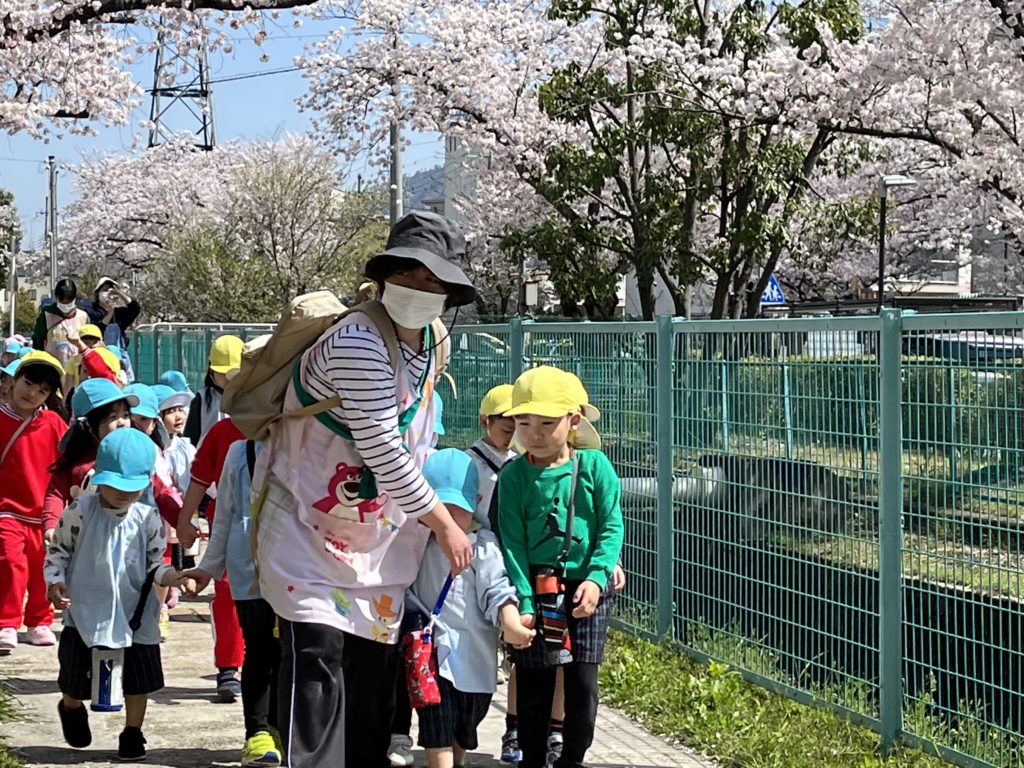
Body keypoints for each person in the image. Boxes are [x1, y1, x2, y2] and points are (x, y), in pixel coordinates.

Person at [254, 210, 476, 768]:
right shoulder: (357, 339)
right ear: (385, 276)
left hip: (376, 537)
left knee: (373, 674)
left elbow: (420, 435)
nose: (421, 290)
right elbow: (381, 445)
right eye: (410, 275)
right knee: (318, 657)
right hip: (308, 526)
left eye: (434, 282)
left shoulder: (432, 341)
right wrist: (444, 524)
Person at [497, 366, 624, 768]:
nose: (533, 433)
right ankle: (532, 759)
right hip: (538, 591)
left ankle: (571, 759)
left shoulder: (595, 466)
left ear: (573, 420)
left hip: (586, 590)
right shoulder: (514, 475)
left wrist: (597, 576)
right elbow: (512, 542)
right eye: (523, 422)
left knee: (582, 688)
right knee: (535, 686)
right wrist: (524, 598)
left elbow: (611, 524)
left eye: (547, 423)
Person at [44, 428, 190, 761]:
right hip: (84, 611)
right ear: (99, 477)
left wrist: (174, 576)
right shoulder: (81, 510)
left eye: (132, 488)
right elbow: (59, 551)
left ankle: (133, 732)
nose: (122, 494)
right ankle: (71, 706)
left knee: (138, 678)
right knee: (74, 674)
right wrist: (55, 582)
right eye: (114, 486)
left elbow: (156, 564)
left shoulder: (147, 518)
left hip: (135, 612)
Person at [409, 449, 536, 768]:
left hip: (474, 656)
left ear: (476, 502)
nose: (448, 520)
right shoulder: (416, 542)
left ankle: (459, 758)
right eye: (440, 509)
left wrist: (510, 621)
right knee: (436, 720)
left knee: (468, 721)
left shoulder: (483, 545)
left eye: (458, 509)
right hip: (432, 652)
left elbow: (497, 587)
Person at [185, 437, 282, 767]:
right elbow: (224, 513)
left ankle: (282, 726)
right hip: (249, 571)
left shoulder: (309, 442)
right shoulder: (239, 451)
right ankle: (258, 733)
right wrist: (207, 568)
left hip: (299, 572)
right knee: (259, 649)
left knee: (294, 653)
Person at [0, 351, 68, 653]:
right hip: (7, 511)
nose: (33, 393)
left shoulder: (53, 422)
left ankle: (40, 620)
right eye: (28, 383)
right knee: (10, 563)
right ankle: (6, 622)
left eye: (42, 391)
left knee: (45, 567)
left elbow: (70, 460)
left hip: (45, 514)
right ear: (14, 381)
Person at [176, 416, 247, 701]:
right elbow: (200, 478)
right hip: (228, 525)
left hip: (277, 529)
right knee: (228, 595)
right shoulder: (222, 432)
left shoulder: (286, 424)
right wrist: (184, 519)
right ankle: (229, 667)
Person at [43, 379, 137, 542]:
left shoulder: (136, 456)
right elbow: (56, 494)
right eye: (112, 417)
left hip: (126, 541)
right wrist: (51, 526)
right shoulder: (75, 461)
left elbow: (159, 491)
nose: (122, 422)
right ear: (89, 425)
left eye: (126, 415)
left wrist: (181, 519)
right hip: (83, 543)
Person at [183, 335, 244, 446]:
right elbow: (190, 440)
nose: (227, 378)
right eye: (222, 373)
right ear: (211, 371)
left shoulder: (252, 398)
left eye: (233, 373)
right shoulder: (201, 400)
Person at [32, 278, 91, 385]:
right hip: (53, 371)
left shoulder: (83, 316)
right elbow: (38, 342)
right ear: (57, 298)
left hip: (77, 373)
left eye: (69, 302)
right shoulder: (47, 315)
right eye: (63, 302)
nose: (66, 305)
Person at [83, 277, 141, 383]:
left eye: (110, 290)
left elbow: (135, 308)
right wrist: (109, 312)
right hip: (99, 358)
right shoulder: (90, 312)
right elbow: (98, 329)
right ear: (97, 294)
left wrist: (120, 293)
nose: (108, 293)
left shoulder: (118, 314)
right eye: (104, 290)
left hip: (120, 359)